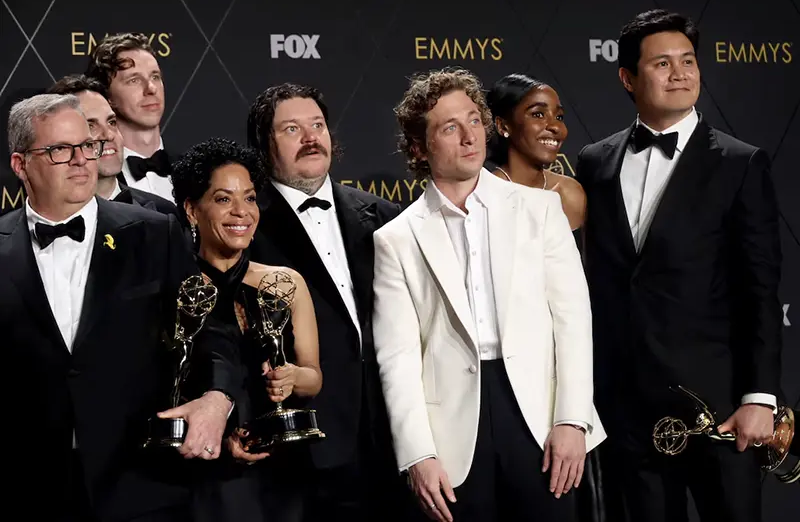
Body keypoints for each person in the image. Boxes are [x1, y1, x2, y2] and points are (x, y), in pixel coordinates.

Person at [576, 9, 783, 522]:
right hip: (627, 408)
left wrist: (760, 397)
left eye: (688, 61)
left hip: (720, 409)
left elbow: (760, 288)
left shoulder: (740, 162)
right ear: (627, 77)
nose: (680, 73)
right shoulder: (594, 162)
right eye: (662, 63)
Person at [373, 67, 605, 522]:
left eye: (474, 120)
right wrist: (418, 453)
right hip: (452, 433)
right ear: (421, 147)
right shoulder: (396, 239)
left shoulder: (540, 210)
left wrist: (572, 420)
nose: (469, 136)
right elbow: (397, 357)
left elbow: (573, 322)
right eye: (450, 127)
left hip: (541, 419)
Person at [0, 93, 240, 521]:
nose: (80, 160)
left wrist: (218, 399)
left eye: (86, 145)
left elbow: (214, 330)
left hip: (144, 483)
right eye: (59, 150)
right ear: (20, 165)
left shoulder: (154, 232)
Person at [246, 83, 410, 521]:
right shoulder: (246, 226)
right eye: (292, 129)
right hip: (301, 446)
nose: (310, 137)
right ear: (264, 146)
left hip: (389, 438)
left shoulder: (383, 217)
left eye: (317, 125)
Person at [171, 136, 322, 522]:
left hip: (282, 475)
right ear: (192, 210)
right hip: (203, 476)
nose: (242, 212)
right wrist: (222, 440)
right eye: (223, 199)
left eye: (250, 198)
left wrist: (291, 378)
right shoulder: (175, 292)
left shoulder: (285, 284)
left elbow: (313, 377)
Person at [47, 74, 176, 214]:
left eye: (111, 123)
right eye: (90, 126)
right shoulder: (40, 221)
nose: (109, 135)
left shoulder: (164, 213)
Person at [487, 74, 586, 230]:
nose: (556, 127)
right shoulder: (482, 197)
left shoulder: (570, 193)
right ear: (503, 126)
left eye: (559, 117)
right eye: (538, 114)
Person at [86, 33, 174, 203]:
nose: (151, 89)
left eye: (155, 77)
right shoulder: (92, 178)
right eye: (134, 80)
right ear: (107, 96)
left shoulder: (195, 172)